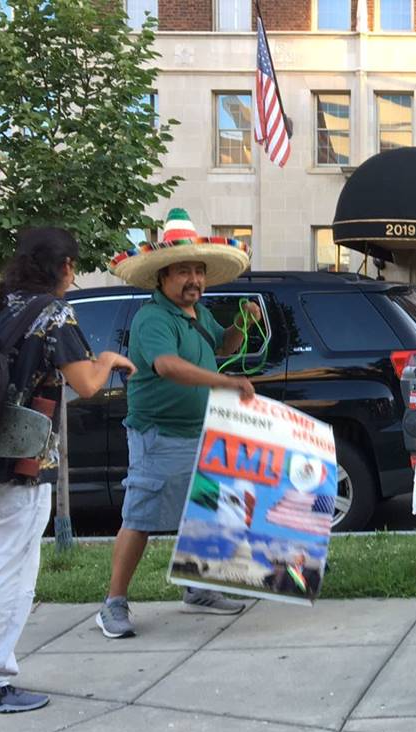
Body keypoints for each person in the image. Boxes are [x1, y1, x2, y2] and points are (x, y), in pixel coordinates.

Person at [0, 228, 136, 713]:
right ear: (64, 267)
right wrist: (107, 360)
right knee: (10, 571)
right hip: (21, 460)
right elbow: (87, 384)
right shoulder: (54, 313)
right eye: (72, 266)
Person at [95, 208, 260, 639]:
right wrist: (225, 383)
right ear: (162, 277)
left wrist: (242, 323)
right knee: (141, 516)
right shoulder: (153, 319)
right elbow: (167, 366)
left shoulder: (196, 314)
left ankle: (197, 589)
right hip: (157, 435)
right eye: (184, 272)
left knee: (203, 512)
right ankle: (113, 603)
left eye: (199, 272)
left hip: (197, 433)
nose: (194, 281)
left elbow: (223, 343)